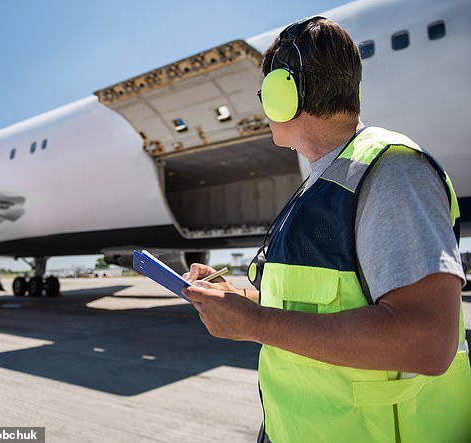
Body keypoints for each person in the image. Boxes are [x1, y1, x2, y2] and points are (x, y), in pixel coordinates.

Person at [182, 16, 471, 443]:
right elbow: (313, 303)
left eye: (265, 94)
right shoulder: (327, 182)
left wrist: (256, 323)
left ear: (285, 95)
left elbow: (428, 341)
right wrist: (234, 300)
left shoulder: (391, 173)